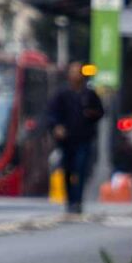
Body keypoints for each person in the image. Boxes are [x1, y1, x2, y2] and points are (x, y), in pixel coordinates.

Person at [47, 62, 104, 214]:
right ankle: (70, 200)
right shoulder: (62, 94)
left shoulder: (89, 94)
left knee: (80, 169)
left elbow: (100, 112)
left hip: (84, 138)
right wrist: (57, 127)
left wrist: (91, 114)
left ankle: (77, 201)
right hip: (66, 140)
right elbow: (52, 114)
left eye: (77, 72)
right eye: (72, 72)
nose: (74, 75)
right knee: (67, 170)